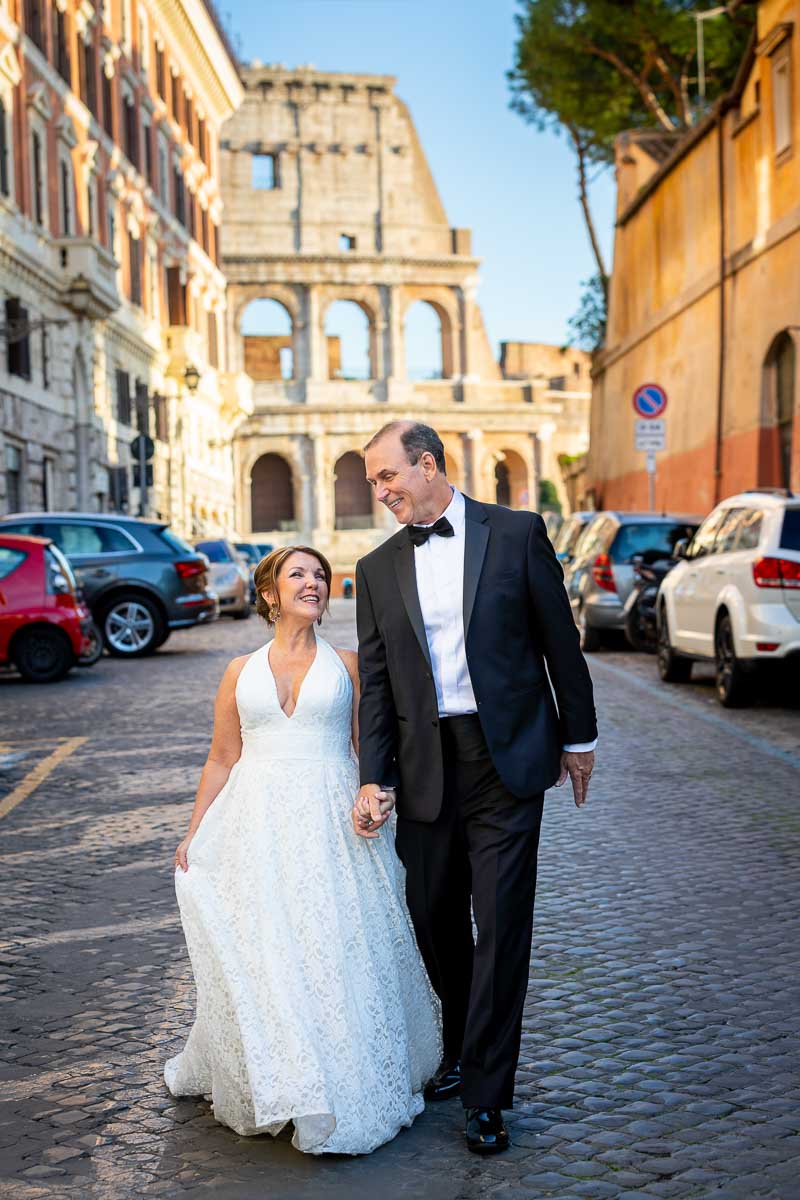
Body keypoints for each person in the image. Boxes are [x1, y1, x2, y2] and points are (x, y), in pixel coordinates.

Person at [352, 422, 597, 1155]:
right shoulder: (373, 568)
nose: (380, 491)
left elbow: (560, 640)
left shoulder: (516, 533)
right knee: (432, 918)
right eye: (373, 482)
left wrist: (578, 737)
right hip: (426, 767)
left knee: (500, 926)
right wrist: (374, 774)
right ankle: (461, 1042)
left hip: (508, 761)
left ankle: (487, 1096)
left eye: (387, 476)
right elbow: (376, 683)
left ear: (427, 465)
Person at [165, 546, 441, 1155]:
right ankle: (283, 1075)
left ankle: (339, 1076)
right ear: (270, 593)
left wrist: (379, 792)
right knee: (271, 948)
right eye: (300, 575)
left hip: (332, 822)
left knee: (333, 942)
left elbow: (369, 747)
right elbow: (222, 757)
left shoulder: (347, 664)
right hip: (255, 824)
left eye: (320, 576)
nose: (314, 583)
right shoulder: (240, 670)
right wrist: (194, 831)